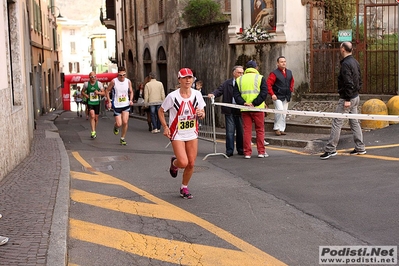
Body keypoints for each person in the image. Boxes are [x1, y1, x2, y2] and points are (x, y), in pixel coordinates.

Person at [158, 68, 206, 199]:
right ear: (179, 80)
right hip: (177, 133)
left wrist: (201, 114)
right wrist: (165, 127)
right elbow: (161, 111)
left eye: (190, 77)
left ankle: (184, 187)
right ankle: (175, 163)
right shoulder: (173, 96)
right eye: (184, 78)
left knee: (191, 163)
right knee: (183, 162)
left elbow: (202, 112)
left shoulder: (197, 95)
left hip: (192, 132)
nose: (188, 80)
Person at [320, 42, 366, 160]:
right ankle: (360, 147)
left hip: (348, 98)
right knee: (354, 122)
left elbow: (348, 82)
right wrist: (355, 93)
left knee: (337, 122)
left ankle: (330, 149)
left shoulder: (346, 64)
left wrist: (347, 98)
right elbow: (359, 79)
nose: (340, 49)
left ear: (343, 49)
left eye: (340, 48)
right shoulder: (355, 62)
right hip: (355, 96)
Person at [233, 60, 268, 159]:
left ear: (246, 69)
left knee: (247, 131)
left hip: (245, 108)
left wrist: (244, 103)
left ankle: (247, 153)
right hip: (257, 108)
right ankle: (261, 152)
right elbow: (264, 93)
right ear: (256, 68)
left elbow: (236, 95)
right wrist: (254, 103)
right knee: (260, 130)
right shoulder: (260, 78)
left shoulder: (239, 80)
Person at [208, 65, 244, 157]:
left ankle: (241, 149)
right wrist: (213, 94)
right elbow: (219, 90)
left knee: (241, 131)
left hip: (240, 109)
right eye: (239, 72)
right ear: (234, 73)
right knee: (230, 131)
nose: (241, 74)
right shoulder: (227, 83)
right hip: (229, 109)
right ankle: (229, 150)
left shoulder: (244, 82)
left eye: (242, 73)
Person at [106, 66, 134, 145]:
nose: (122, 77)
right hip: (117, 105)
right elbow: (107, 91)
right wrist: (109, 101)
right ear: (118, 74)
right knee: (119, 123)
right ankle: (116, 127)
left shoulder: (128, 81)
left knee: (125, 122)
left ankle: (122, 138)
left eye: (123, 75)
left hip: (125, 104)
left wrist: (131, 100)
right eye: (120, 75)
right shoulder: (113, 81)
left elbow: (131, 91)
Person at [267, 56, 295, 136]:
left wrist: (290, 90)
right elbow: (269, 84)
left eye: (284, 61)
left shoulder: (289, 72)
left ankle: (282, 128)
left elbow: (292, 81)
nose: (283, 63)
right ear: (277, 63)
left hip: (286, 95)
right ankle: (277, 128)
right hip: (277, 95)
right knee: (279, 110)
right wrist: (272, 94)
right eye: (281, 62)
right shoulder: (274, 73)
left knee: (284, 113)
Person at [81, 72, 105, 139]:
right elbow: (82, 92)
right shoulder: (86, 84)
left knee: (96, 118)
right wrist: (86, 95)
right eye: (92, 77)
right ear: (89, 77)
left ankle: (94, 130)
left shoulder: (99, 84)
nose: (93, 78)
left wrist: (98, 93)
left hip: (97, 102)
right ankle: (93, 131)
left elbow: (104, 93)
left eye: (94, 76)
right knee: (92, 115)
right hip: (90, 102)